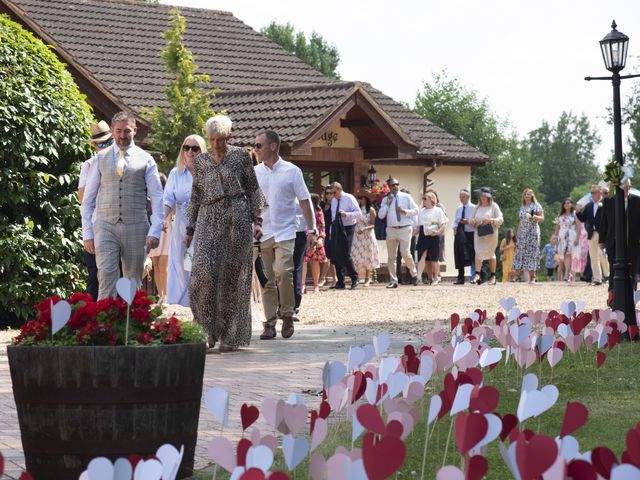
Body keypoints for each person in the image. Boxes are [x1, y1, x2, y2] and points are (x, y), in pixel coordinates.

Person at [185, 115, 265, 352]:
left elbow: (252, 189)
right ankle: (206, 329)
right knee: (204, 276)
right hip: (209, 218)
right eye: (212, 140)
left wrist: (257, 220)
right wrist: (190, 228)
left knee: (234, 279)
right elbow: (196, 196)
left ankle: (231, 334)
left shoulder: (241, 156)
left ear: (229, 136)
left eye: (220, 140)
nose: (217, 145)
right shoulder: (200, 162)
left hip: (237, 218)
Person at [81, 111, 164, 300]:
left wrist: (155, 230)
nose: (122, 136)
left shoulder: (146, 159)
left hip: (136, 225)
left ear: (134, 130)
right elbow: (88, 199)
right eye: (118, 131)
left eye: (127, 131)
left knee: (131, 282)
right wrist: (87, 233)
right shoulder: (100, 159)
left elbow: (157, 197)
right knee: (106, 276)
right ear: (112, 131)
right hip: (105, 225)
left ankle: (130, 327)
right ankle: (105, 327)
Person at [253, 130, 316, 340]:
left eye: (259, 145)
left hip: (286, 231)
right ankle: (269, 323)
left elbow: (305, 201)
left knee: (283, 271)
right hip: (262, 234)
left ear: (272, 146)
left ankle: (287, 314)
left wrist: (312, 229)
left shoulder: (292, 171)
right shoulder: (254, 173)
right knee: (266, 279)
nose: (255, 149)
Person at [163, 134, 206, 306]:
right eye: (186, 147)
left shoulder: (209, 172)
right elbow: (168, 200)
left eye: (194, 148)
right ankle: (180, 304)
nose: (190, 152)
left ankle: (199, 303)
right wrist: (161, 220)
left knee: (197, 265)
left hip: (204, 225)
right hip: (182, 225)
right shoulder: (176, 173)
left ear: (202, 151)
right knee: (181, 265)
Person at [78, 120, 114, 299]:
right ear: (95, 146)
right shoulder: (89, 165)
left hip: (119, 228)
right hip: (96, 226)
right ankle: (90, 323)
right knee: (95, 276)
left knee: (120, 276)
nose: (106, 146)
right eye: (102, 144)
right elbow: (83, 201)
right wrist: (87, 235)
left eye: (109, 142)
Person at [377, 177, 419, 288]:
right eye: (392, 185)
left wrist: (405, 211)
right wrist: (387, 204)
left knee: (405, 253)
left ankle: (414, 274)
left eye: (397, 184)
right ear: (389, 187)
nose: (395, 186)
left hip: (405, 228)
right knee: (391, 256)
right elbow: (381, 215)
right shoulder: (386, 199)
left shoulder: (406, 197)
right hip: (391, 229)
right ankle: (393, 280)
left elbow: (416, 210)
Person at [599, 183, 640, 292]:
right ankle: (613, 294)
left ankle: (631, 294)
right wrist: (601, 240)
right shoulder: (609, 201)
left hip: (632, 242)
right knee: (613, 268)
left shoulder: (637, 201)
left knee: (632, 270)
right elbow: (604, 221)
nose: (623, 189)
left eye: (626, 187)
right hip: (613, 241)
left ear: (629, 188)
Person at [329, 182, 361, 289]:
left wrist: (346, 214)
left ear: (339, 189)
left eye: (334, 192)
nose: (333, 195)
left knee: (346, 253)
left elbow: (359, 213)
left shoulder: (349, 198)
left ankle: (355, 278)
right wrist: (331, 231)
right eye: (331, 193)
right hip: (337, 227)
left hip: (348, 227)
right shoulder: (334, 200)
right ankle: (340, 281)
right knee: (336, 253)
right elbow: (333, 217)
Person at [469, 187, 504, 285]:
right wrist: (472, 221)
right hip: (479, 233)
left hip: (491, 233)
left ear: (489, 197)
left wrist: (491, 220)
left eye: (485, 195)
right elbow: (471, 219)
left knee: (491, 253)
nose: (483, 197)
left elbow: (501, 219)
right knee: (478, 252)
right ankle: (477, 274)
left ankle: (493, 276)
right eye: (481, 195)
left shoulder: (494, 206)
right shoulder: (477, 207)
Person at [576, 185, 609, 286]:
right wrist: (578, 211)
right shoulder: (589, 205)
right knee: (593, 256)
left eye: (594, 192)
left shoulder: (605, 203)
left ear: (600, 193)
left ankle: (608, 274)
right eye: (592, 192)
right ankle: (597, 278)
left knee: (601, 254)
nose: (592, 194)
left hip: (603, 233)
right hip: (592, 234)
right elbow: (583, 218)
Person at [512, 188, 544, 284]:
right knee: (520, 252)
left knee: (532, 253)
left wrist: (534, 216)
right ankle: (517, 275)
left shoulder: (536, 205)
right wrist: (518, 233)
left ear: (532, 196)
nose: (527, 195)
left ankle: (533, 277)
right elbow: (521, 221)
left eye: (529, 194)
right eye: (525, 194)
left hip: (533, 232)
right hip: (523, 232)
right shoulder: (522, 206)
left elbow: (542, 218)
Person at [416, 191, 448, 285]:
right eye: (423, 198)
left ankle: (436, 278)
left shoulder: (438, 210)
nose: (423, 200)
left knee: (434, 258)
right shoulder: (421, 211)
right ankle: (418, 277)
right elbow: (418, 226)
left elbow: (443, 224)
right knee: (422, 255)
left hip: (434, 236)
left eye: (425, 198)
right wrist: (411, 235)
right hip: (423, 235)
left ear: (431, 199)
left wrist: (438, 233)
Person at [149, 173, 170, 300]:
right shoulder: (149, 197)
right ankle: (160, 295)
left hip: (166, 233)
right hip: (154, 232)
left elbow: (173, 211)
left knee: (163, 265)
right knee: (156, 266)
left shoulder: (168, 196)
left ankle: (167, 295)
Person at [301, 193, 328, 293]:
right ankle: (302, 285)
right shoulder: (303, 211)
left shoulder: (319, 212)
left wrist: (321, 238)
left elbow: (322, 226)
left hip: (316, 239)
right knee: (304, 261)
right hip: (305, 238)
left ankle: (316, 285)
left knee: (315, 262)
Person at [351, 192, 380, 286]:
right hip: (357, 235)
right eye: (359, 198)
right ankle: (357, 277)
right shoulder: (356, 209)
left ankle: (367, 278)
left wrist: (365, 228)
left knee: (368, 256)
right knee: (355, 256)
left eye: (362, 198)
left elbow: (374, 224)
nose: (360, 200)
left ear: (366, 199)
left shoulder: (370, 210)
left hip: (367, 234)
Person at [554, 198, 582, 282]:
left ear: (571, 204)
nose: (566, 205)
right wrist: (555, 236)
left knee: (569, 254)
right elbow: (557, 227)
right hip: (562, 236)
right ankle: (567, 274)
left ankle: (567, 273)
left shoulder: (574, 214)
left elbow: (578, 226)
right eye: (565, 203)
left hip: (571, 235)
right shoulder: (560, 215)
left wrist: (577, 238)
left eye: (568, 203)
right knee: (564, 255)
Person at [452, 189, 476, 284]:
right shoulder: (459, 208)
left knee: (473, 254)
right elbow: (455, 221)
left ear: (468, 197)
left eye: (463, 197)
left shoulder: (474, 208)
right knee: (460, 254)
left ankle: (477, 275)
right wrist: (454, 230)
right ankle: (460, 278)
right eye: (460, 197)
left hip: (471, 233)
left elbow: (476, 220)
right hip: (460, 234)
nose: (461, 199)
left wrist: (468, 221)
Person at [319, 185, 336, 287]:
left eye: (331, 193)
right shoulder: (321, 204)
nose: (329, 195)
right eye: (327, 193)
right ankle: (334, 278)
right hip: (322, 232)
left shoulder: (335, 204)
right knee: (328, 256)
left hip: (331, 232)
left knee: (328, 256)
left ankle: (323, 277)